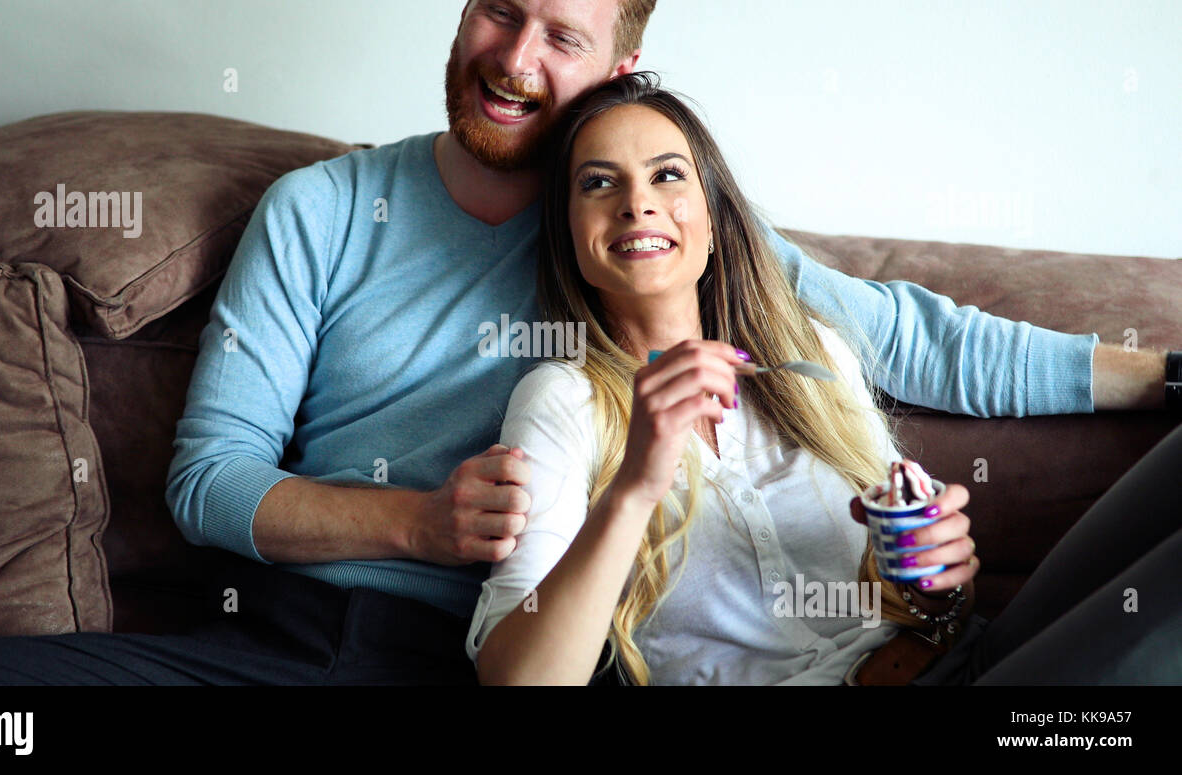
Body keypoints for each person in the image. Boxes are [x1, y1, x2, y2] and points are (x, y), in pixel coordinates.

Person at [0, 0, 1171, 685]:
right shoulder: (327, 212)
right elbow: (208, 479)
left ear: (623, 60)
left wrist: (1158, 373)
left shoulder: (663, 223)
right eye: (498, 10)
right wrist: (415, 525)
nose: (511, 59)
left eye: (562, 34)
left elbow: (911, 334)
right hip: (317, 635)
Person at [466, 70, 1182, 685]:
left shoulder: (812, 351)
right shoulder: (564, 400)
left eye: (667, 173)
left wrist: (935, 581)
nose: (637, 201)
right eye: (599, 182)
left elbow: (923, 602)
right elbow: (518, 675)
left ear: (715, 221)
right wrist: (634, 488)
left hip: (970, 657)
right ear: (568, 232)